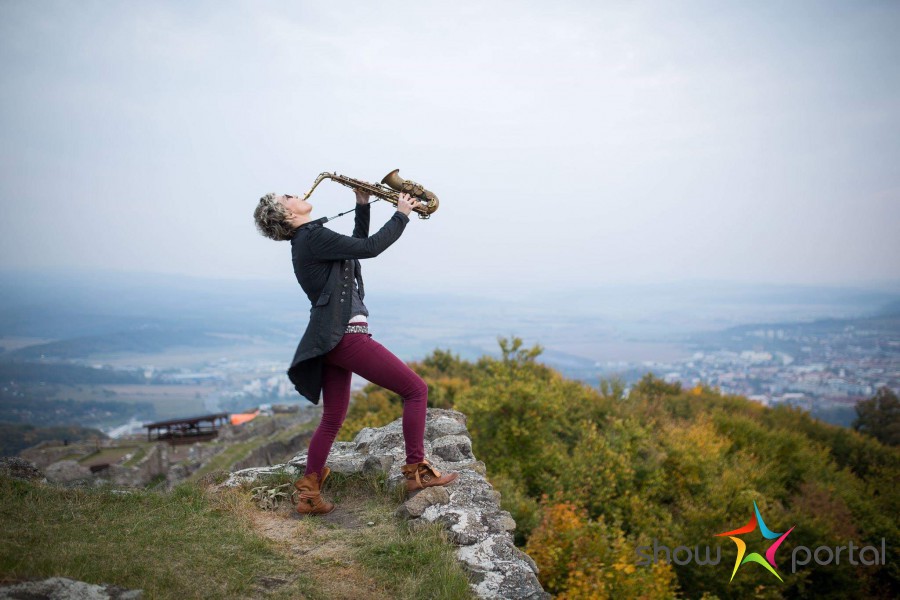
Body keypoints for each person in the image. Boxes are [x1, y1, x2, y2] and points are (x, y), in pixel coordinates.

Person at [253, 187, 459, 515]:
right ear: (288, 215)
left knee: (333, 416)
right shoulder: (311, 237)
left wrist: (362, 205)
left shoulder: (309, 239)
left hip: (332, 338)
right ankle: (416, 472)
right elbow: (370, 248)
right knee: (416, 390)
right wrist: (401, 214)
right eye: (287, 197)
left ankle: (309, 495)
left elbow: (355, 249)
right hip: (347, 336)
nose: (295, 193)